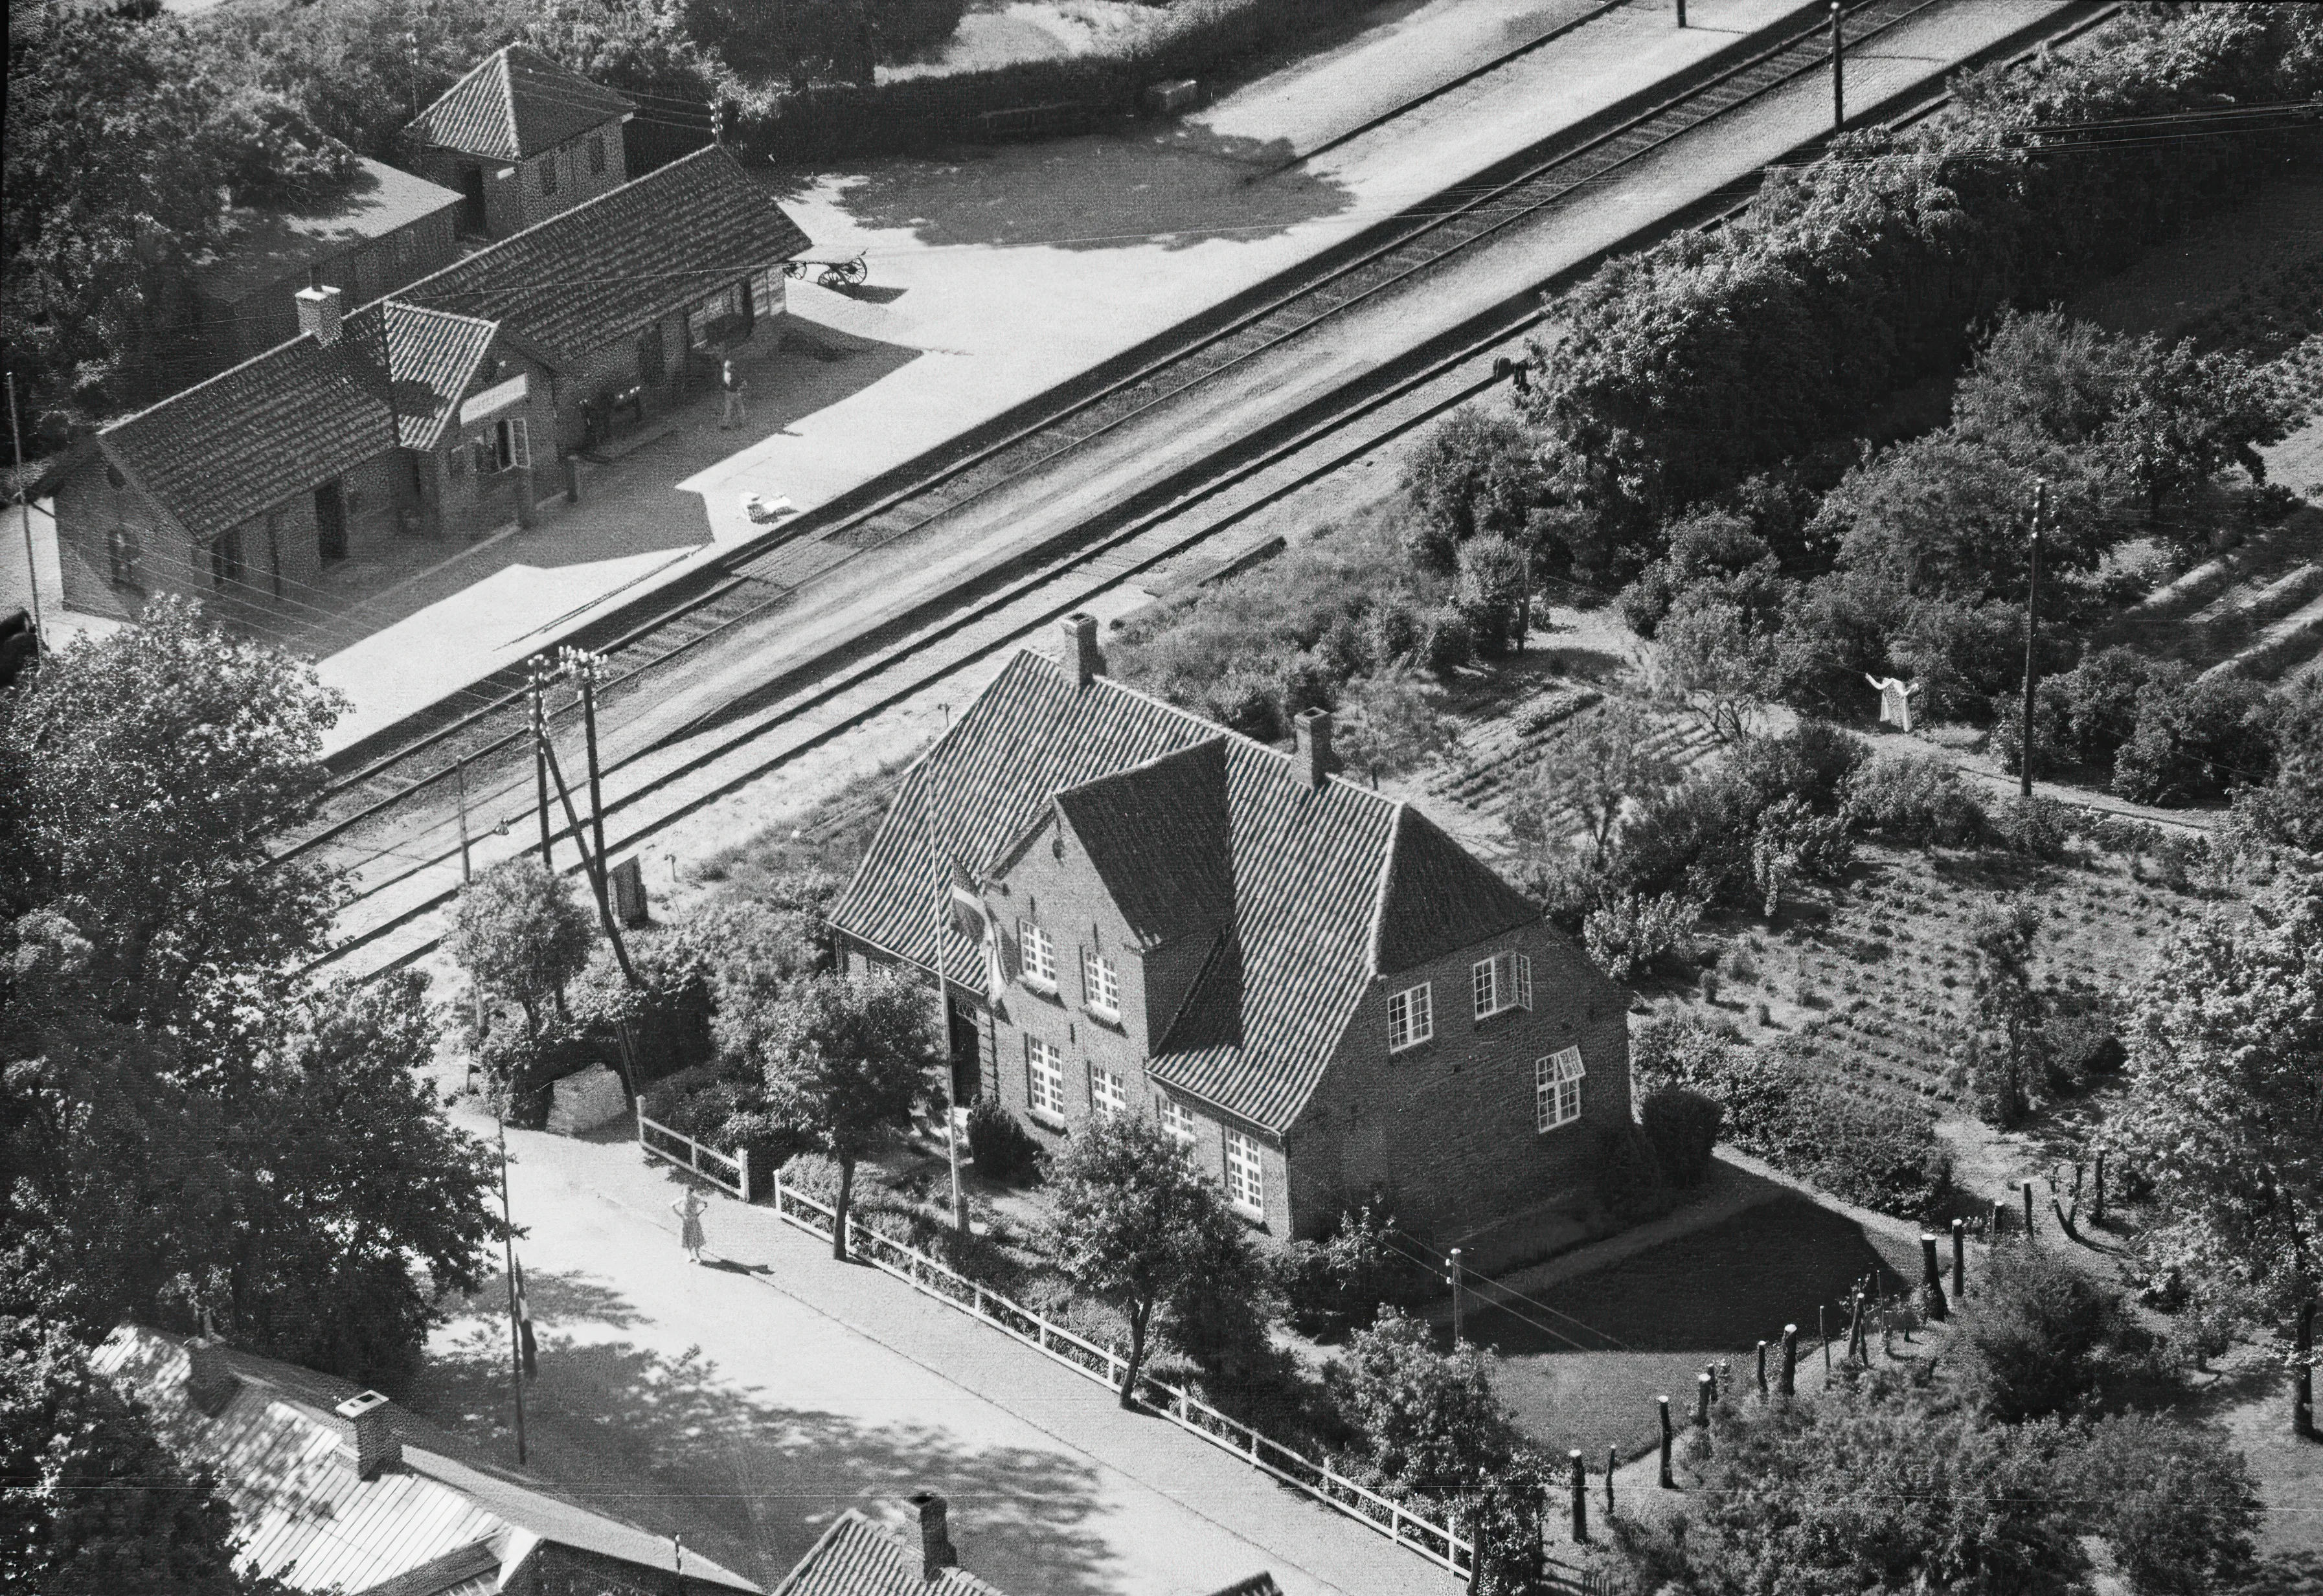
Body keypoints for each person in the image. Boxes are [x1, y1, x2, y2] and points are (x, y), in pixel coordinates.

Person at [674, 1188, 708, 1263]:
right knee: (690, 1239)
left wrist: (680, 1215)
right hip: (689, 1222)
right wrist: (698, 1214)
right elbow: (705, 1205)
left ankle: (696, 1257)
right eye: (687, 1191)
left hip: (689, 1222)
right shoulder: (691, 1199)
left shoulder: (683, 1199)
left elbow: (672, 1205)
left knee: (691, 1239)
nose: (688, 1192)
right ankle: (693, 1256)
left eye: (688, 1191)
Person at [719, 359, 747, 431]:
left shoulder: (727, 373)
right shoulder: (737, 373)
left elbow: (724, 384)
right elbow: (744, 383)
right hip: (736, 392)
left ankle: (725, 424)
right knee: (740, 407)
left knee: (728, 408)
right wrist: (740, 388)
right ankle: (742, 422)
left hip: (729, 392)